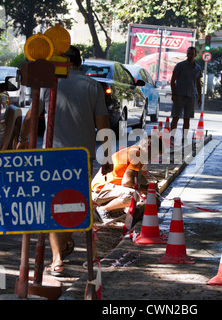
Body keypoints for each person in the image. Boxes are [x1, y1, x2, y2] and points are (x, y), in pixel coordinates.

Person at [17, 45, 112, 276]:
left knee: (54, 206)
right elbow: (103, 124)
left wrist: (21, 138)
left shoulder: (50, 84)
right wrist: (107, 156)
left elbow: (32, 113)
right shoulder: (92, 86)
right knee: (73, 205)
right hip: (81, 158)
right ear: (79, 63)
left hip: (53, 156)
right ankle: (62, 248)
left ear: (61, 63)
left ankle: (57, 259)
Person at [91, 134, 164, 223]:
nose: (154, 158)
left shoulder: (135, 151)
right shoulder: (137, 155)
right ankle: (101, 210)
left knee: (136, 193)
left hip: (104, 189)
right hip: (99, 191)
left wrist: (150, 192)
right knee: (133, 195)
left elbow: (137, 178)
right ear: (148, 147)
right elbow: (127, 182)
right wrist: (147, 190)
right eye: (155, 154)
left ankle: (113, 210)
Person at [170, 46, 202, 140]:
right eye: (188, 53)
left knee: (187, 118)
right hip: (179, 95)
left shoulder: (197, 68)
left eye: (192, 54)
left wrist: (200, 97)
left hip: (191, 96)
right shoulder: (180, 66)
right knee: (176, 117)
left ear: (195, 55)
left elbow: (198, 83)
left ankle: (184, 137)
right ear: (186, 54)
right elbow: (172, 81)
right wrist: (174, 94)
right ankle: (172, 136)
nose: (190, 55)